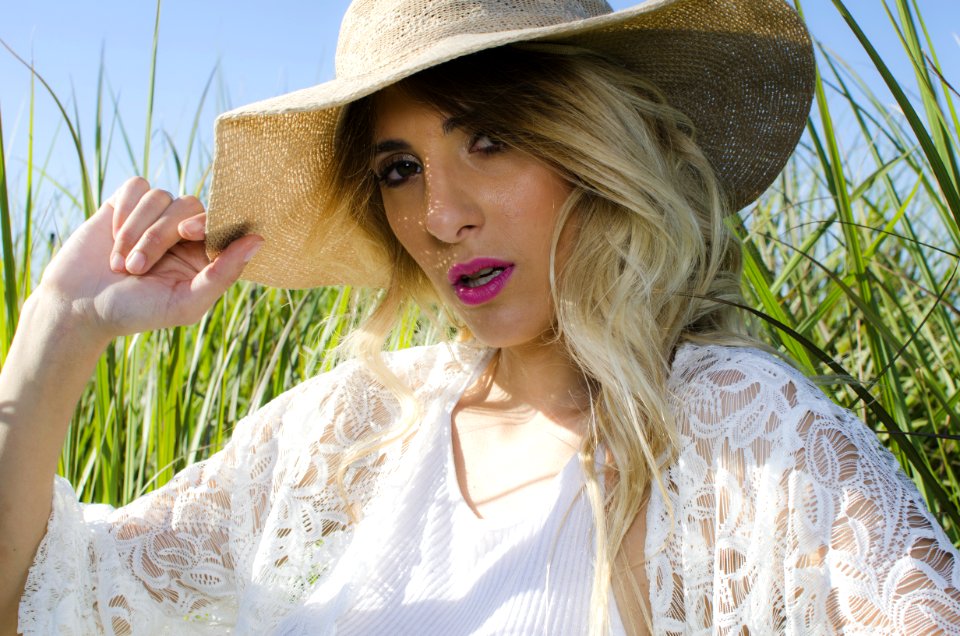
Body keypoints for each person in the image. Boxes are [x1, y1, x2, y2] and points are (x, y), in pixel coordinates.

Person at [2, 0, 959, 633]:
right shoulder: (345, 434)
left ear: (593, 148)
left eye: (490, 140)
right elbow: (40, 600)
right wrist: (59, 331)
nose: (440, 215)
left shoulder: (745, 430)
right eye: (399, 169)